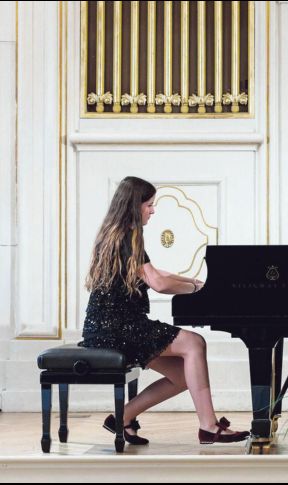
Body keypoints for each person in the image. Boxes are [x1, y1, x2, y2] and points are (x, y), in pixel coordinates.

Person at [79, 176, 249, 445]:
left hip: (105, 327)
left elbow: (154, 273)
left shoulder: (117, 233)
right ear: (134, 205)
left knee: (183, 377)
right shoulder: (128, 236)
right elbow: (157, 283)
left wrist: (192, 280)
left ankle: (122, 418)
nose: (152, 210)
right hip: (118, 327)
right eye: (149, 204)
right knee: (194, 343)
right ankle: (208, 426)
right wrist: (198, 291)